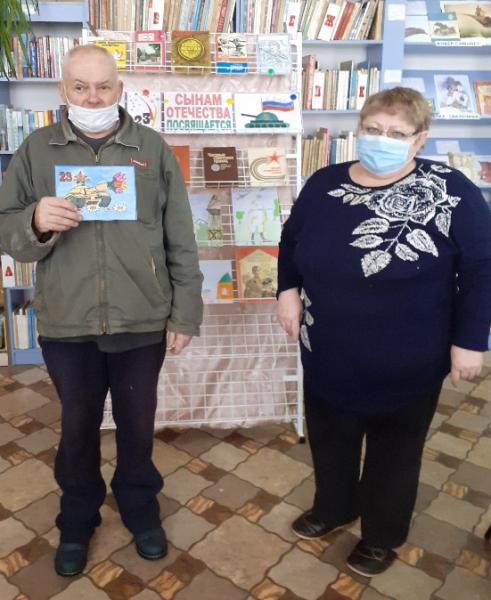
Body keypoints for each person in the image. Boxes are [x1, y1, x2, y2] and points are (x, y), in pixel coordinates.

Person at [0, 45, 203, 576]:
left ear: (120, 89)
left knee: (137, 425)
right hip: (68, 322)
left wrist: (185, 313)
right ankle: (77, 517)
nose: (93, 97)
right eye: (80, 87)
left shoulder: (151, 148)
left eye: (103, 86)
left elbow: (181, 239)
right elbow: (7, 230)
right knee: (78, 426)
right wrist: (34, 220)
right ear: (62, 91)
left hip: (142, 319)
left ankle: (139, 507)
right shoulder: (37, 150)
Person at [277, 87, 491, 577]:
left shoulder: (450, 189)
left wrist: (469, 340)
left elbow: (482, 268)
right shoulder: (324, 183)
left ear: (420, 139)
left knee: (394, 453)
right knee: (330, 438)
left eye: (397, 133)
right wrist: (287, 289)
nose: (382, 139)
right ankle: (334, 507)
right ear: (359, 130)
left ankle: (381, 535)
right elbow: (291, 239)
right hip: (327, 348)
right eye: (373, 129)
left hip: (408, 357)